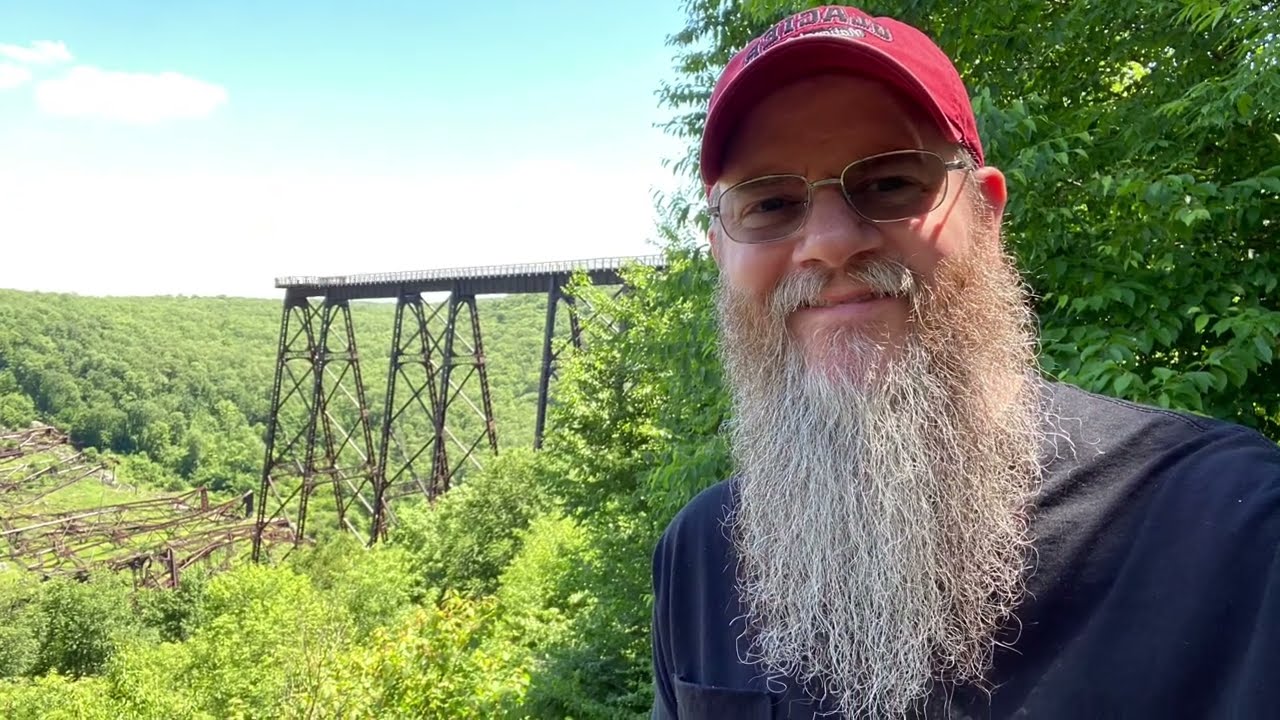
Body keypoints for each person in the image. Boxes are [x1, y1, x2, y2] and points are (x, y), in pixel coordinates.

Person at [649, 5, 1280, 719]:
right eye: (769, 203)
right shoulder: (700, 556)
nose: (828, 242)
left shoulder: (1228, 528)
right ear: (720, 253)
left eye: (890, 182)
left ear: (986, 213)